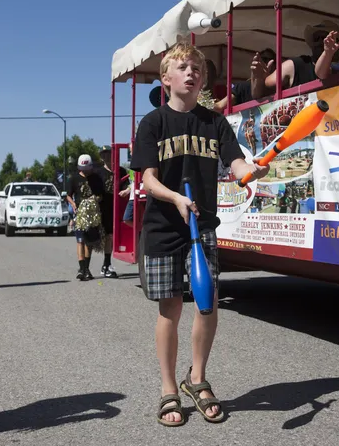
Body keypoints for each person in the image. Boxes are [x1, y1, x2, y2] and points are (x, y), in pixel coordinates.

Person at [131, 42, 269, 426]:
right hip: (164, 226)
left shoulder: (214, 122)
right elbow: (148, 180)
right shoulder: (154, 123)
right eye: (182, 66)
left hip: (202, 225)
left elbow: (235, 161)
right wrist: (175, 198)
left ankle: (197, 378)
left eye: (197, 68)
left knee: (207, 305)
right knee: (171, 308)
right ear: (166, 77)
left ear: (203, 80)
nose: (191, 72)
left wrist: (249, 173)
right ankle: (167, 389)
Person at [264, 21, 339, 89]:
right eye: (316, 38)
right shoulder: (297, 64)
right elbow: (268, 83)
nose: (320, 42)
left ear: (336, 42)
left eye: (325, 38)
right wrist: (260, 77)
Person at [66, 154, 106, 281]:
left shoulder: (96, 178)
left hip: (92, 215)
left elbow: (101, 195)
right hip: (80, 214)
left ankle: (86, 268)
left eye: (87, 168)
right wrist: (73, 204)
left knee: (89, 243)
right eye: (83, 168)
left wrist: (95, 200)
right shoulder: (74, 179)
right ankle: (82, 269)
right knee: (80, 241)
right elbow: (67, 195)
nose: (85, 171)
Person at [96, 146, 129, 278]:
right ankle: (84, 268)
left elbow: (128, 185)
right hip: (101, 207)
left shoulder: (121, 171)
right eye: (104, 155)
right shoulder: (98, 173)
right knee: (95, 237)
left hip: (116, 207)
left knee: (111, 236)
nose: (107, 157)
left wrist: (126, 190)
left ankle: (106, 263)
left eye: (109, 154)